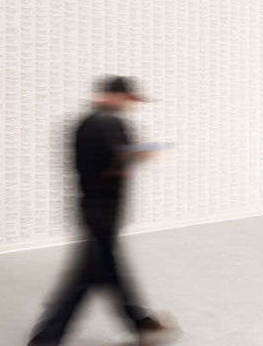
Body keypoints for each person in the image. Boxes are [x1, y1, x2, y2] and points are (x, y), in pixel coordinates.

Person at [28, 76, 178, 346]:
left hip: (93, 207)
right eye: (128, 99)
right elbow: (117, 163)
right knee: (89, 275)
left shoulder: (86, 122)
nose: (130, 105)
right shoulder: (106, 123)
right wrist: (142, 153)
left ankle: (141, 323)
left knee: (102, 270)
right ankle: (46, 339)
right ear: (114, 95)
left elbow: (92, 163)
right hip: (102, 211)